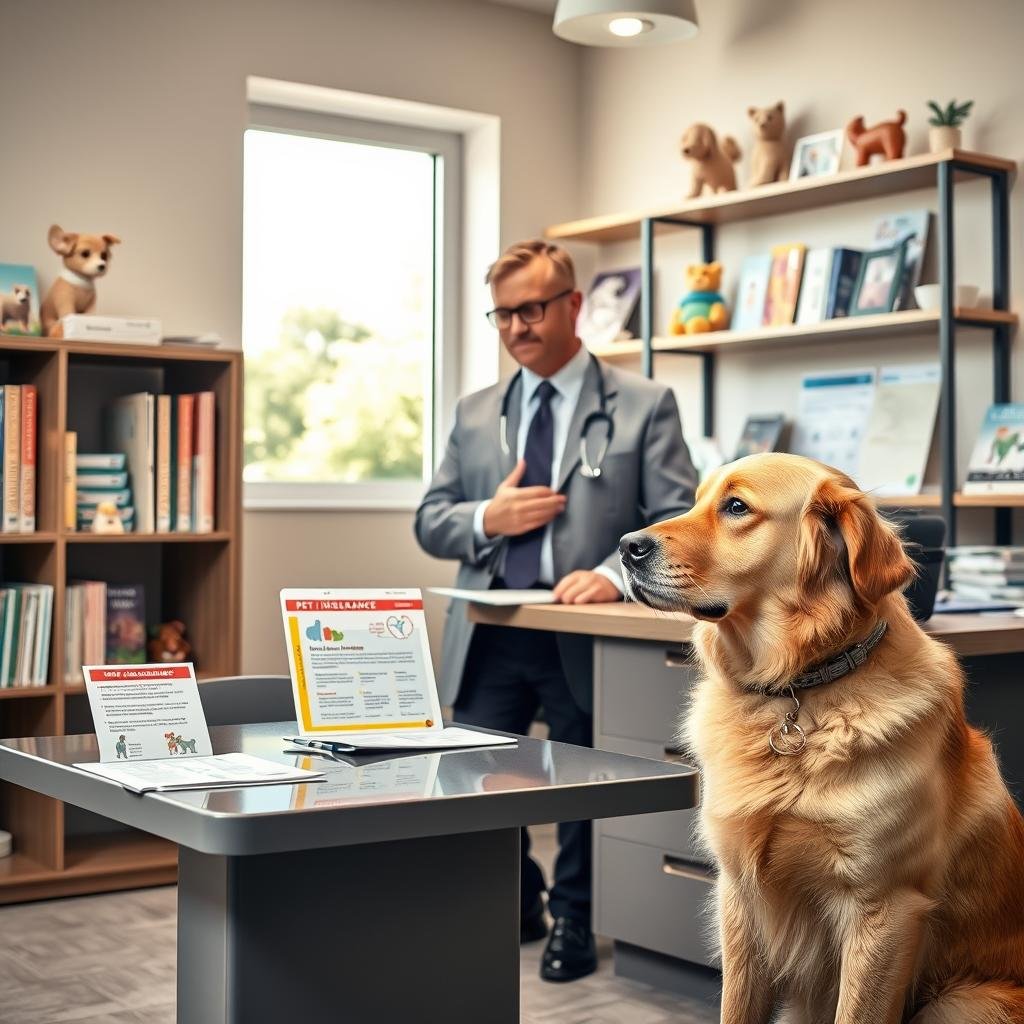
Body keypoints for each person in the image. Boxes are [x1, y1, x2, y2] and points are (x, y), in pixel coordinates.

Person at [414, 239, 697, 982]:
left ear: (573, 305)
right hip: (492, 630)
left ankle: (575, 916)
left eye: (531, 309)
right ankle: (520, 901)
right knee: (475, 777)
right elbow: (430, 519)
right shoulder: (477, 414)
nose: (515, 328)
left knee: (582, 786)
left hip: (584, 635)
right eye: (502, 314)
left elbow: (679, 519)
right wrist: (488, 518)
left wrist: (613, 573)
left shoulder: (643, 405)